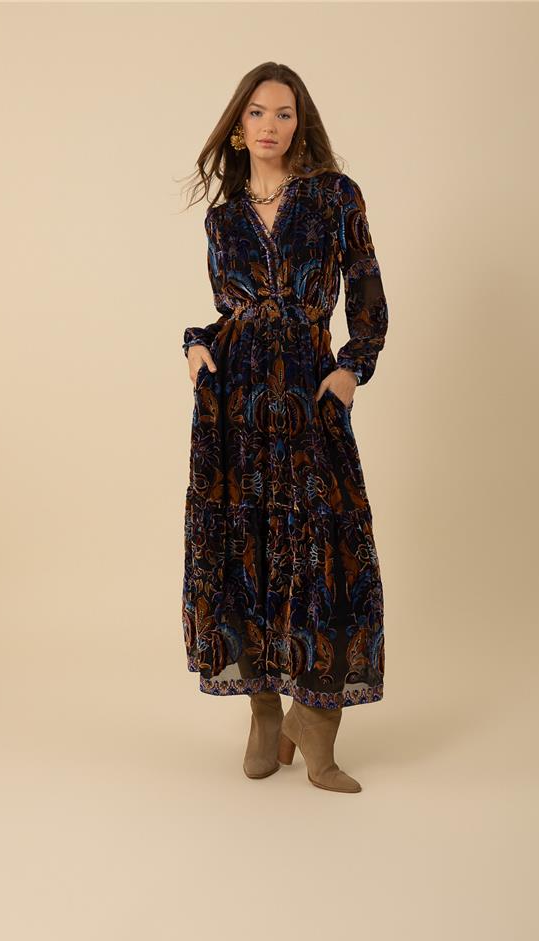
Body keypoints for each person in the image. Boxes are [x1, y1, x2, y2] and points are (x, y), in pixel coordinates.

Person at [180, 63, 388, 793]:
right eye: (257, 113)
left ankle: (317, 723)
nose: (271, 125)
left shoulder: (335, 196)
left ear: (301, 124)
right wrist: (196, 344)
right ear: (238, 128)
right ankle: (265, 714)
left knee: (327, 549)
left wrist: (353, 366)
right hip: (235, 401)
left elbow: (367, 292)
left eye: (285, 113)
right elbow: (230, 311)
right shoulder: (223, 220)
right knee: (247, 549)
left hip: (307, 393)